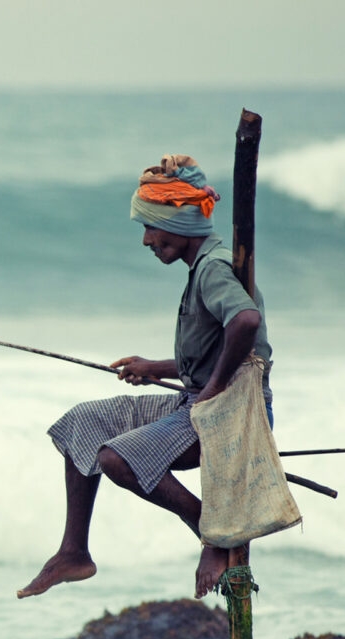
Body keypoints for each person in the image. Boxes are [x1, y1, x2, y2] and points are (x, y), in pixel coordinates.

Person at [17, 154, 272, 601]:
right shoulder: (203, 265)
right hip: (198, 401)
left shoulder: (212, 266)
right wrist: (155, 369)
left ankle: (212, 533)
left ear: (179, 222)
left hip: (229, 413)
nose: (146, 240)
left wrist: (209, 396)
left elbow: (246, 323)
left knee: (118, 458)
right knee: (83, 423)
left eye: (150, 227)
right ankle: (73, 551)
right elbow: (215, 351)